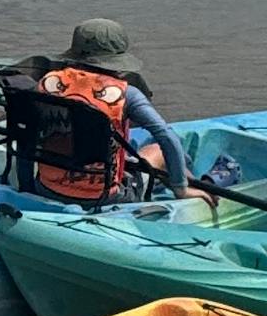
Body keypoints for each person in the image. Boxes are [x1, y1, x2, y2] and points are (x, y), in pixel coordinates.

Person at [41, 18, 208, 203]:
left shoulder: (47, 83)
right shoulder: (125, 94)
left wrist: (27, 185)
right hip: (105, 196)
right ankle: (193, 185)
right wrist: (180, 189)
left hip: (46, 186)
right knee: (158, 151)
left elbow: (26, 131)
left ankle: (182, 177)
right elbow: (166, 136)